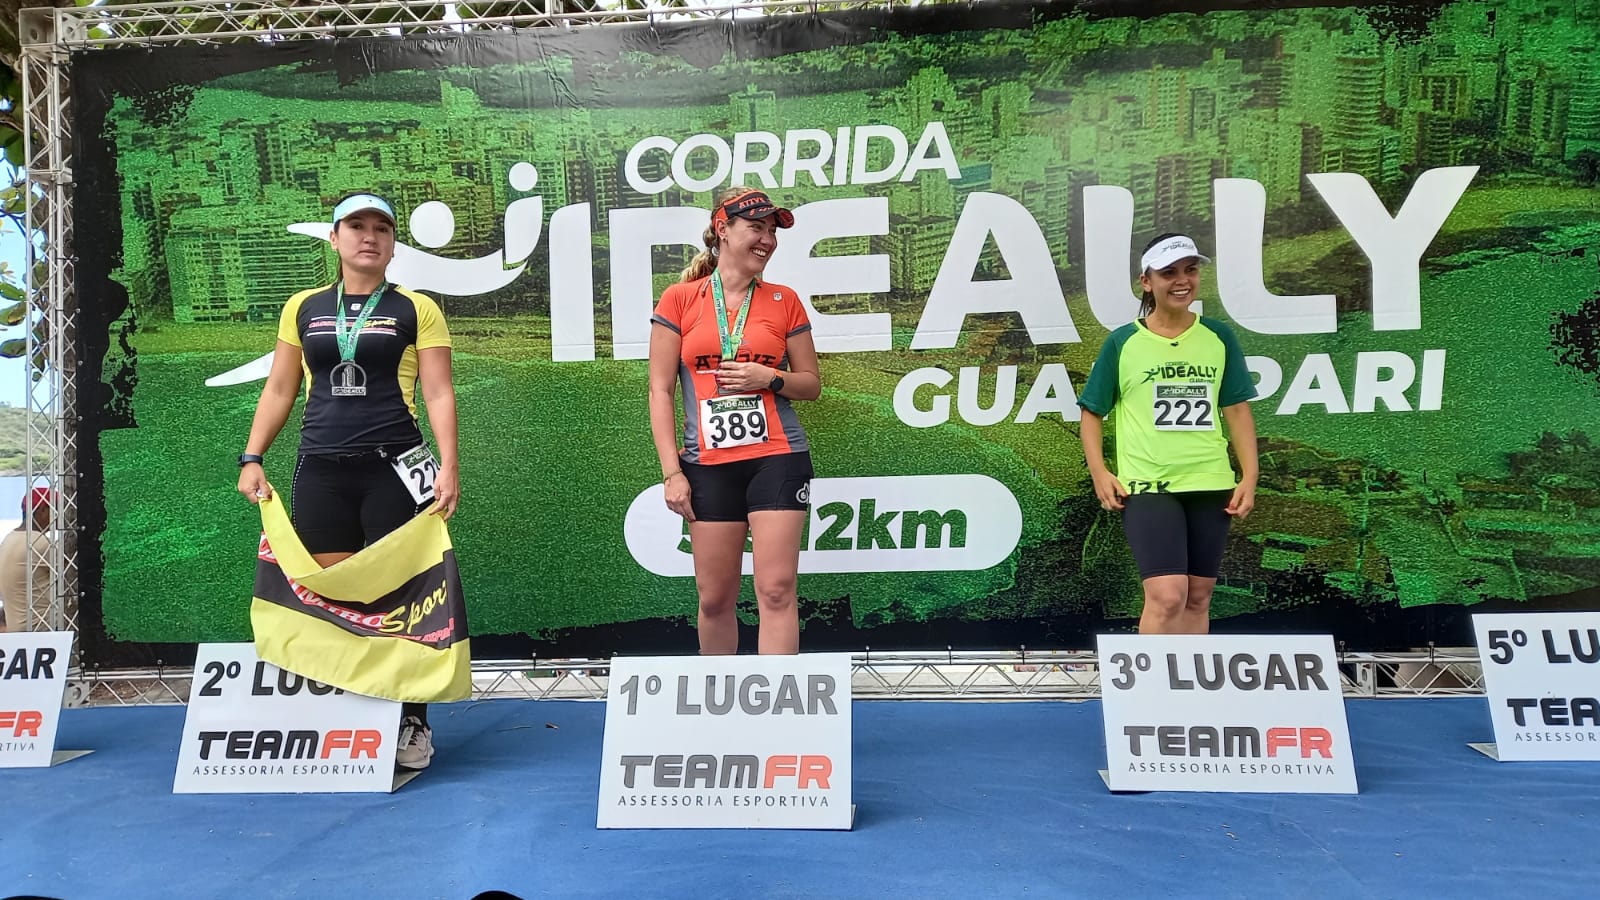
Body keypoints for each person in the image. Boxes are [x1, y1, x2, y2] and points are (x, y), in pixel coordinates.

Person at [237, 192, 459, 769]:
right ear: (334, 239)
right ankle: (349, 719)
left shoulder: (417, 309)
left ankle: (412, 722)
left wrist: (449, 464)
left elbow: (438, 391)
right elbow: (280, 387)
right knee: (330, 596)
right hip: (321, 469)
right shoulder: (303, 307)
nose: (369, 236)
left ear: (393, 245)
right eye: (355, 226)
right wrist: (252, 456)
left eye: (381, 228)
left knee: (400, 599)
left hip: (396, 467)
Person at [648, 187, 821, 655]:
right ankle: (719, 701)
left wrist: (770, 377)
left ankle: (777, 701)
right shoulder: (679, 299)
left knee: (777, 590)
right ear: (722, 229)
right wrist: (672, 472)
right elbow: (660, 390)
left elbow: (810, 384)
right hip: (707, 464)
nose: (767, 240)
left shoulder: (784, 300)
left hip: (777, 458)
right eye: (756, 228)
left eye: (772, 231)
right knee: (714, 599)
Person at [1077, 233, 1258, 635]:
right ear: (1147, 282)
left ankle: (1190, 678)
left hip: (1210, 481)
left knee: (1198, 597)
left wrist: (1249, 476)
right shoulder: (1123, 342)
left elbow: (1237, 409)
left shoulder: (1219, 336)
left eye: (1190, 270)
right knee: (1167, 595)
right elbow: (1091, 412)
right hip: (1148, 484)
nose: (1182, 280)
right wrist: (1100, 473)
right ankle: (1153, 678)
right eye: (1169, 272)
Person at [1, 487, 54, 632]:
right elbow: (71, 578)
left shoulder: (8, 540)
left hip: (16, 631)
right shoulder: (39, 543)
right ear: (43, 510)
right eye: (56, 509)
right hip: (42, 629)